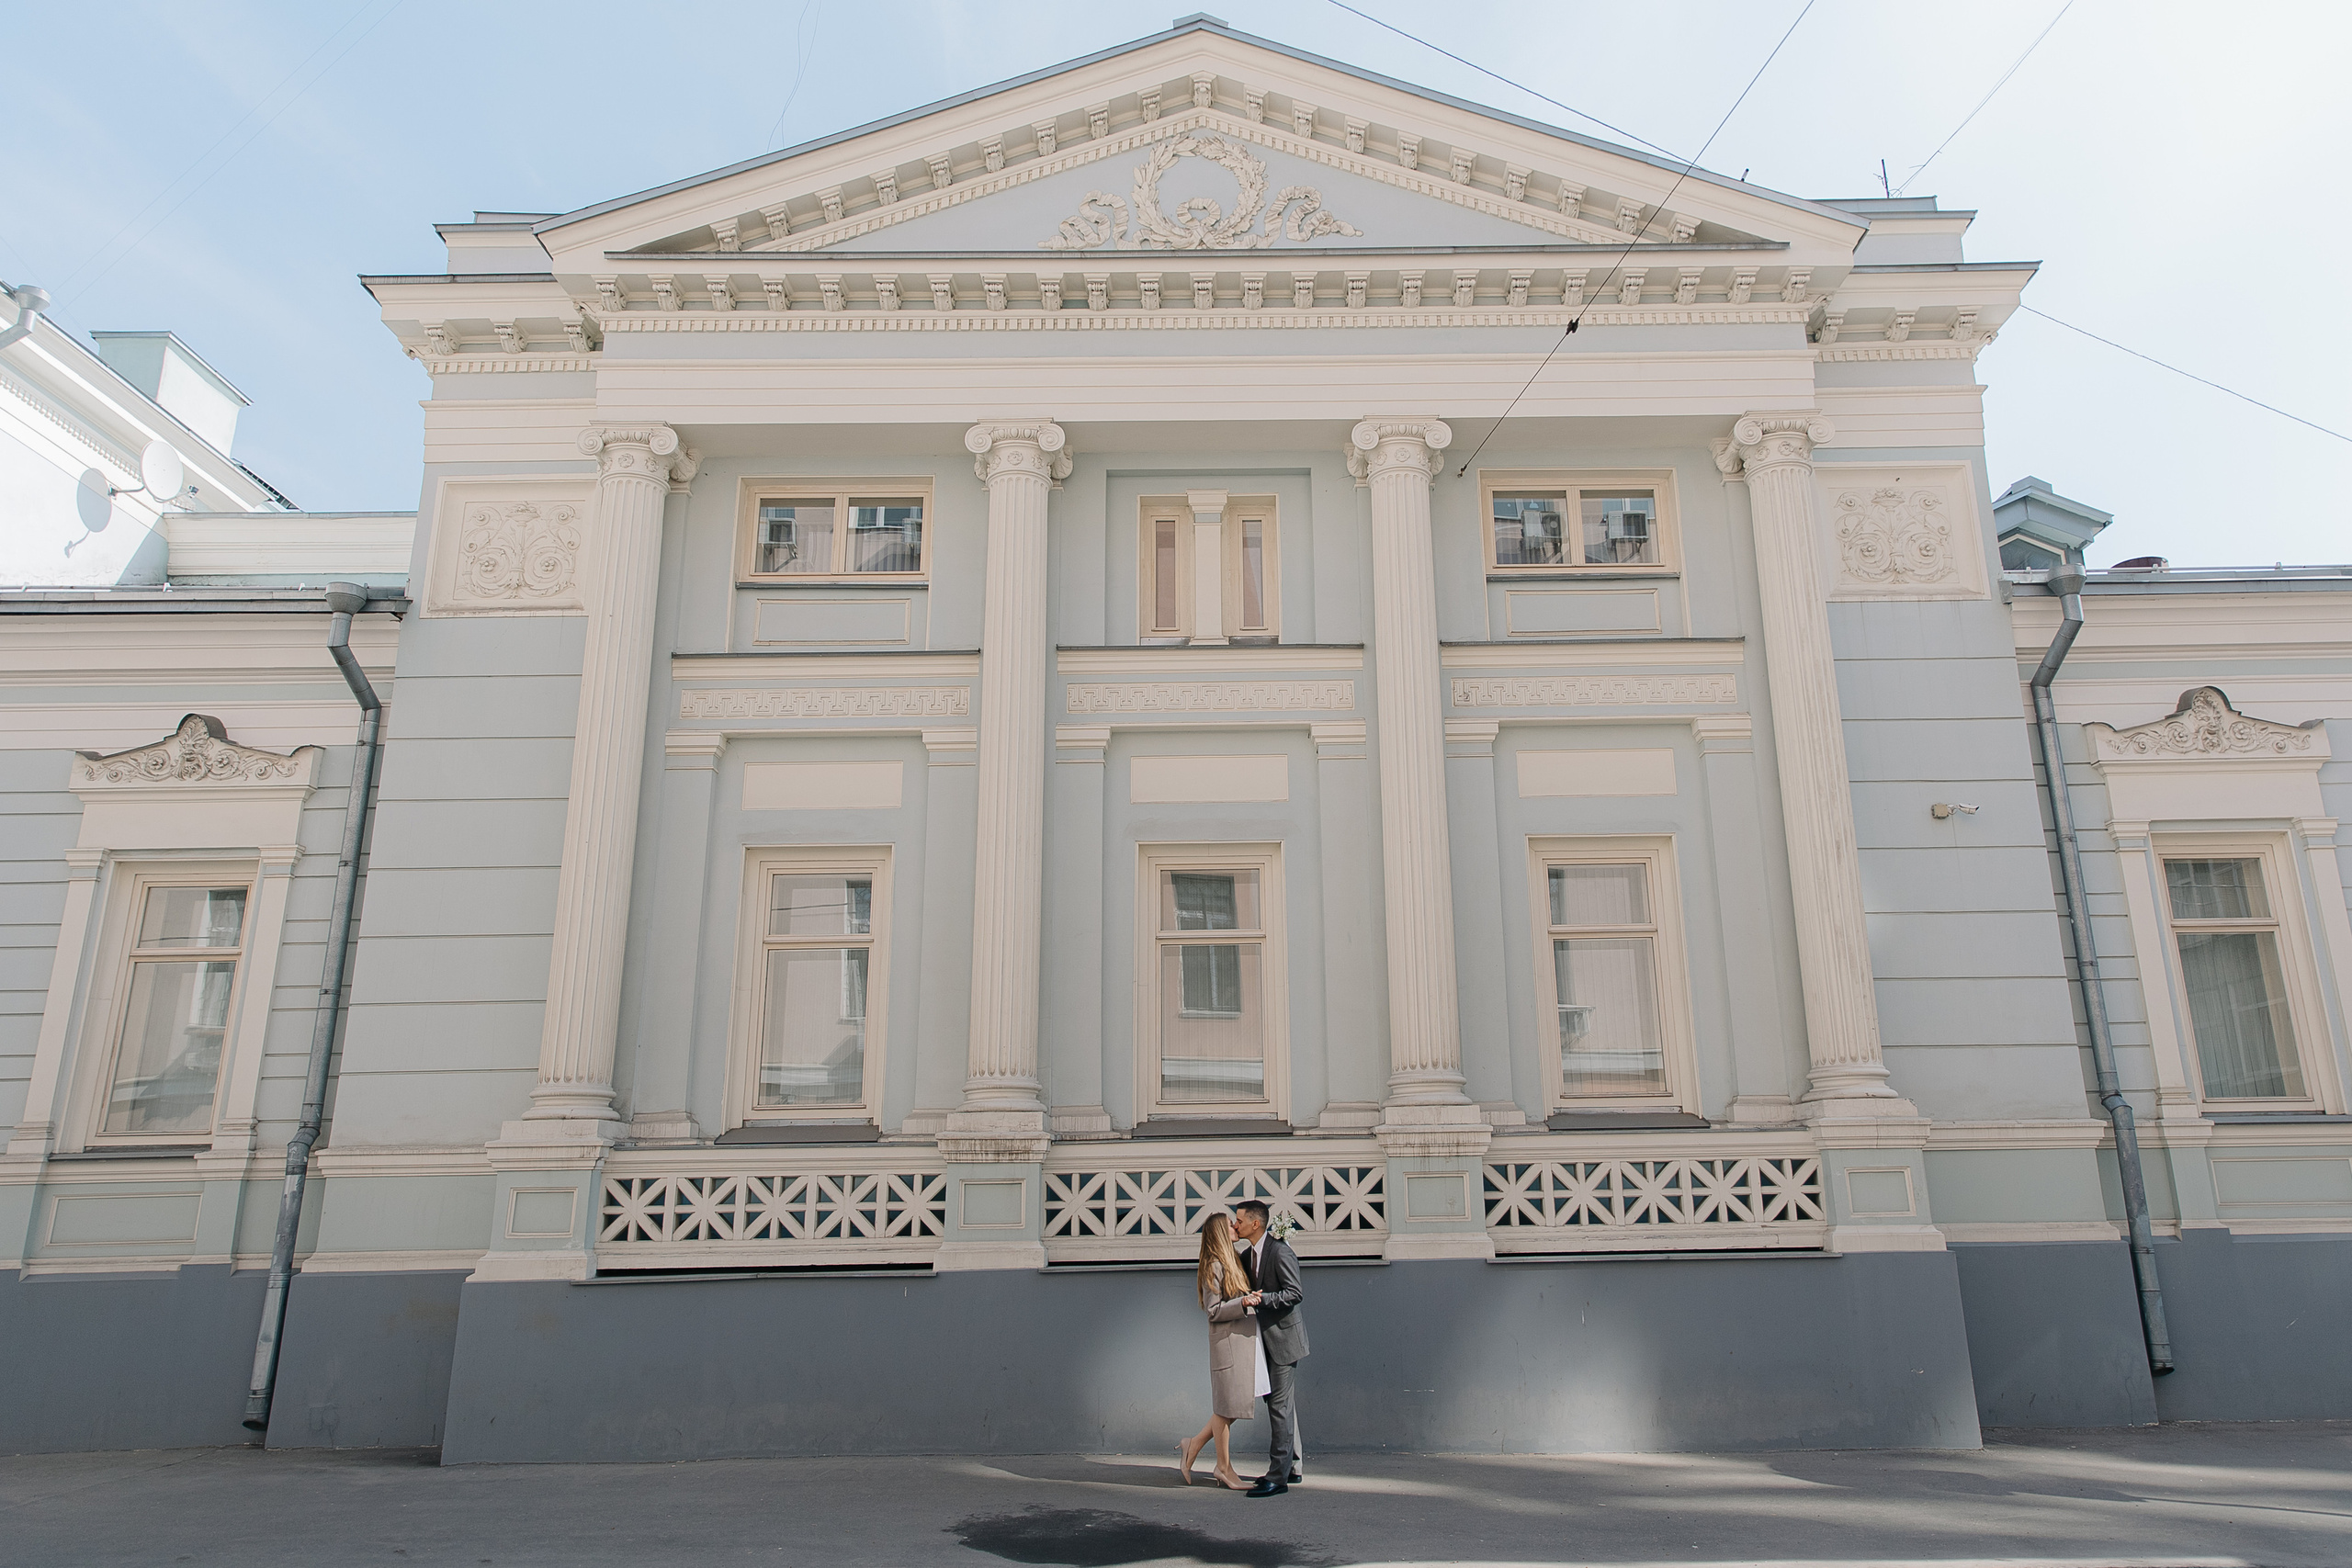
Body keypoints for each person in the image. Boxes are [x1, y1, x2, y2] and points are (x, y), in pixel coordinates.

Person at [1176, 1212, 1268, 1491]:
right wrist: (1243, 1303)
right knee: (1227, 1407)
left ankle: (1194, 1445)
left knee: (1231, 1407)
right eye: (1231, 1223)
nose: (1235, 1226)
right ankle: (1224, 1468)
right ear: (1220, 1231)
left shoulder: (1231, 1259)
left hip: (1239, 1343)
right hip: (1226, 1345)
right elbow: (1213, 1311)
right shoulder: (1213, 1265)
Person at [1231, 1200, 1306, 1496]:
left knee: (1279, 1407)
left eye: (1238, 1220)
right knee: (1282, 1407)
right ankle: (1293, 1466)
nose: (1235, 1224)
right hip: (1265, 1342)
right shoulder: (1249, 1255)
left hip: (1285, 1341)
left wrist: (1265, 1299)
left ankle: (1278, 1477)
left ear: (1255, 1224)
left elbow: (1294, 1292)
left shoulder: (1280, 1251)